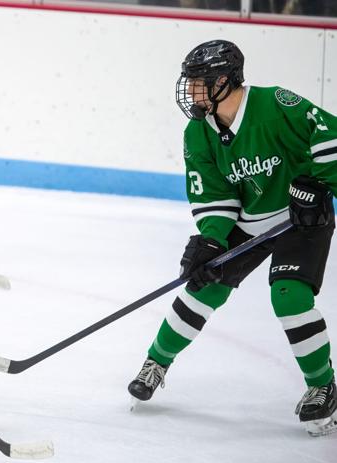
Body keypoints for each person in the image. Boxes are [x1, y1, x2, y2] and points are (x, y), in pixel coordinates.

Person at [127, 40, 337, 437]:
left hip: (301, 218)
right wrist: (211, 240)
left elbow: (331, 139)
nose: (190, 91)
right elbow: (214, 194)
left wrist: (319, 184)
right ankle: (156, 363)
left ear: (223, 81)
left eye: (198, 83)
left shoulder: (276, 104)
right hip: (249, 221)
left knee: (289, 296)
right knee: (202, 286)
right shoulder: (198, 132)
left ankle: (322, 385)